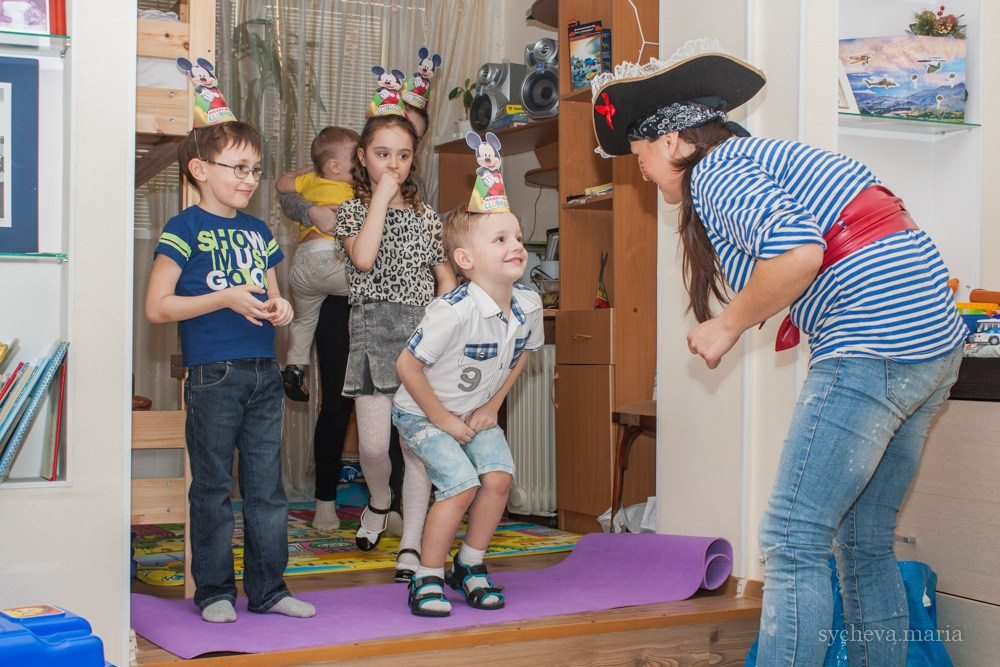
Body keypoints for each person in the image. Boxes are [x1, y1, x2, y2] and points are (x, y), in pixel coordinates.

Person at [591, 44, 967, 664]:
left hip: (875, 336)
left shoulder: (717, 170)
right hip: (931, 340)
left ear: (671, 141)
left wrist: (726, 327)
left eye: (639, 157)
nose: (641, 173)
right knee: (862, 538)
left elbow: (797, 256)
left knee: (793, 538)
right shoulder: (755, 159)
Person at [145, 120, 316, 623]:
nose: (249, 178)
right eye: (238, 167)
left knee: (267, 489)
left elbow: (272, 293)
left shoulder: (259, 231)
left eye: (256, 170)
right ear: (199, 169)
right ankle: (215, 591)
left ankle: (268, 590)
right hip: (212, 375)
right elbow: (157, 306)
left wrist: (280, 308)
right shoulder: (184, 228)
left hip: (264, 373)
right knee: (214, 487)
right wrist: (223, 297)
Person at [392, 201, 543, 617]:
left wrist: (493, 405)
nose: (515, 245)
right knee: (460, 486)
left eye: (516, 236)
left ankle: (469, 564)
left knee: (497, 478)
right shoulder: (453, 310)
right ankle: (427, 574)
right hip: (422, 414)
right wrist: (442, 420)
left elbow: (523, 354)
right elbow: (406, 366)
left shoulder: (529, 304)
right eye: (500, 239)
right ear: (465, 259)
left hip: (473, 410)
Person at [335, 113, 457, 570]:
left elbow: (444, 279)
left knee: (416, 450)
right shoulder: (351, 211)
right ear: (362, 158)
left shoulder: (427, 218)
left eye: (403, 156)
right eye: (382, 154)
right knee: (371, 446)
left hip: (419, 338)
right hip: (372, 329)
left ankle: (412, 542)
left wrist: (441, 325)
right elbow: (363, 260)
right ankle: (381, 501)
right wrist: (381, 202)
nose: (393, 165)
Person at [275, 126, 359, 406]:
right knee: (373, 283)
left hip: (302, 265)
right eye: (354, 162)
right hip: (331, 259)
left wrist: (308, 171)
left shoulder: (311, 181)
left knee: (304, 321)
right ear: (335, 166)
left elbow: (281, 184)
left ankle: (294, 369)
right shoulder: (354, 188)